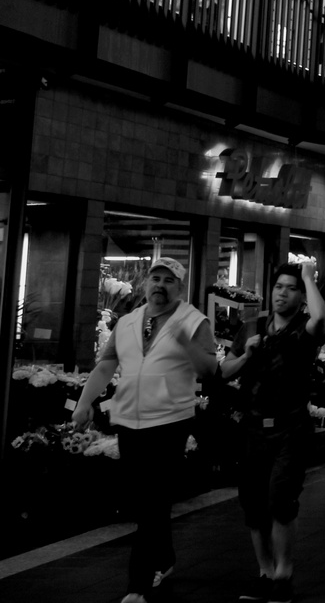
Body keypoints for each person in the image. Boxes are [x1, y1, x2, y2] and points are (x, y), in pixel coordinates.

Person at [72, 257, 219, 603]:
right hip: (129, 420)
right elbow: (106, 366)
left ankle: (137, 587)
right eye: (156, 278)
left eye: (169, 280)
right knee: (146, 501)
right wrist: (83, 402)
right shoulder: (126, 322)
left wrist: (187, 343)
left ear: (179, 287)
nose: (160, 285)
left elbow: (210, 369)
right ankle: (164, 559)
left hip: (170, 420)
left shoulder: (194, 321)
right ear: (145, 284)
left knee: (152, 501)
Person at [220, 262, 325, 603]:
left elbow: (321, 318)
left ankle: (284, 572)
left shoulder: (303, 328)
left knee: (280, 499)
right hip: (252, 427)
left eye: (291, 288)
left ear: (301, 296)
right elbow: (224, 371)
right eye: (279, 286)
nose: (282, 292)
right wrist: (247, 353)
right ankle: (265, 572)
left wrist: (309, 279)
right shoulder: (252, 326)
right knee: (253, 505)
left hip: (291, 427)